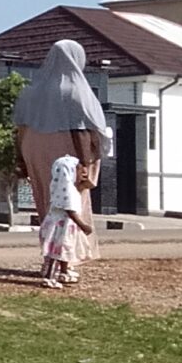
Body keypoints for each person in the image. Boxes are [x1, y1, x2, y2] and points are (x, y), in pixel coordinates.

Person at [14, 40, 111, 226]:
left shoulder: (30, 92)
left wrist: (21, 160)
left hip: (34, 150)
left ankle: (50, 238)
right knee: (72, 198)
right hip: (65, 149)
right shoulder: (75, 91)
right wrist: (84, 164)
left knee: (45, 197)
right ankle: (71, 240)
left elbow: (20, 130)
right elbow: (80, 130)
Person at [40, 153, 94, 287]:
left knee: (65, 251)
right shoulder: (67, 190)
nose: (83, 172)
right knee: (56, 253)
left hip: (63, 227)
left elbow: (80, 190)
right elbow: (70, 210)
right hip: (60, 228)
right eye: (79, 170)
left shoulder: (62, 187)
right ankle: (49, 278)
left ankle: (63, 272)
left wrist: (84, 183)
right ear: (70, 171)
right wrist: (83, 225)